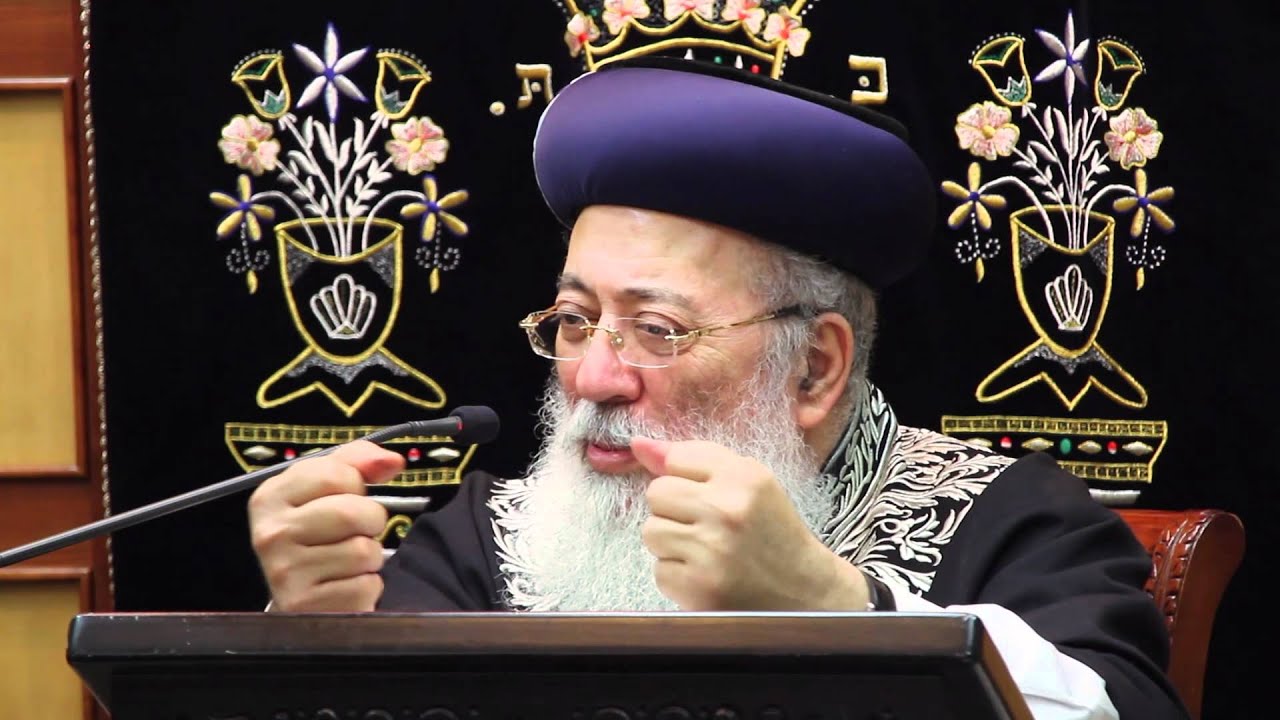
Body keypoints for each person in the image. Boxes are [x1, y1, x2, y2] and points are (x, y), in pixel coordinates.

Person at [247, 56, 1187, 719]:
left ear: (815, 368)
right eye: (574, 320)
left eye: (657, 330)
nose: (595, 377)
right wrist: (313, 644)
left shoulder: (1011, 527)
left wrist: (831, 604)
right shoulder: (483, 545)